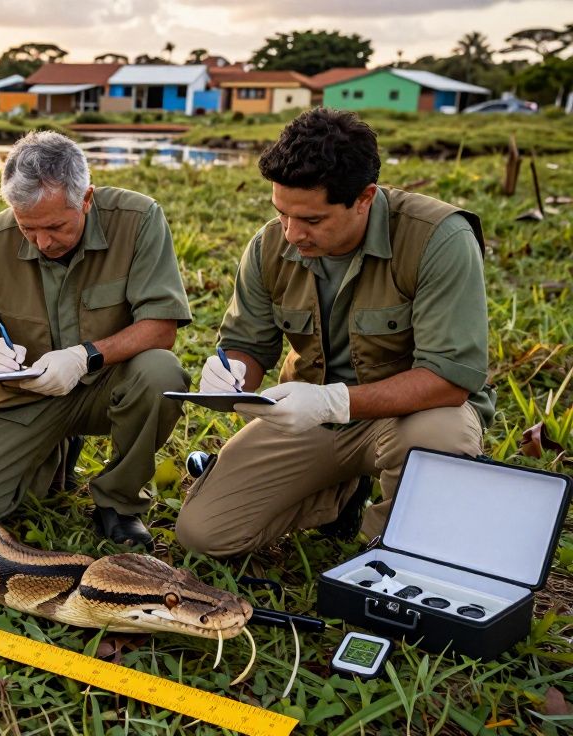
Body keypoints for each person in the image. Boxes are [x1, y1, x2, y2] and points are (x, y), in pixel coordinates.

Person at [176, 108, 493, 557]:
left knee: (440, 438)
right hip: (311, 416)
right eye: (282, 213)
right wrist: (232, 375)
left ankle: (394, 550)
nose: (291, 234)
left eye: (312, 220)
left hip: (413, 414)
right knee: (206, 534)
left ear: (363, 198)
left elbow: (450, 379)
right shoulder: (269, 245)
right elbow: (247, 344)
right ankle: (338, 495)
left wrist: (336, 400)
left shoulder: (438, 238)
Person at [0, 130, 192, 548]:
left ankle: (118, 504)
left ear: (86, 199)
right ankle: (53, 452)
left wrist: (83, 357)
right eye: (28, 228)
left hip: (109, 383)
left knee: (160, 372)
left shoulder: (139, 219)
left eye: (56, 226)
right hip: (28, 393)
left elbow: (161, 327)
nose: (42, 242)